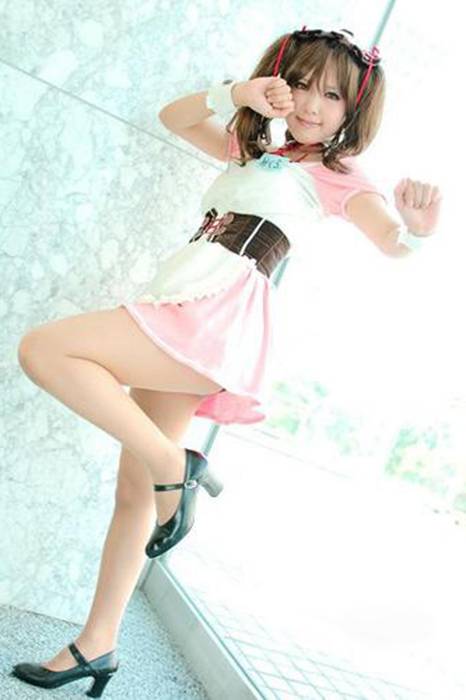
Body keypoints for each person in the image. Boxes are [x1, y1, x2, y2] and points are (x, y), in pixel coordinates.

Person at [10, 27, 442, 696]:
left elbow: (391, 240)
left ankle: (175, 467)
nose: (311, 103)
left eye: (332, 95)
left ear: (353, 110)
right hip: (179, 299)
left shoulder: (340, 178)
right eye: (300, 83)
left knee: (45, 348)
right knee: (135, 490)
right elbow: (175, 117)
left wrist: (416, 232)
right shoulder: (254, 148)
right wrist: (240, 94)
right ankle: (99, 644)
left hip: (216, 317)